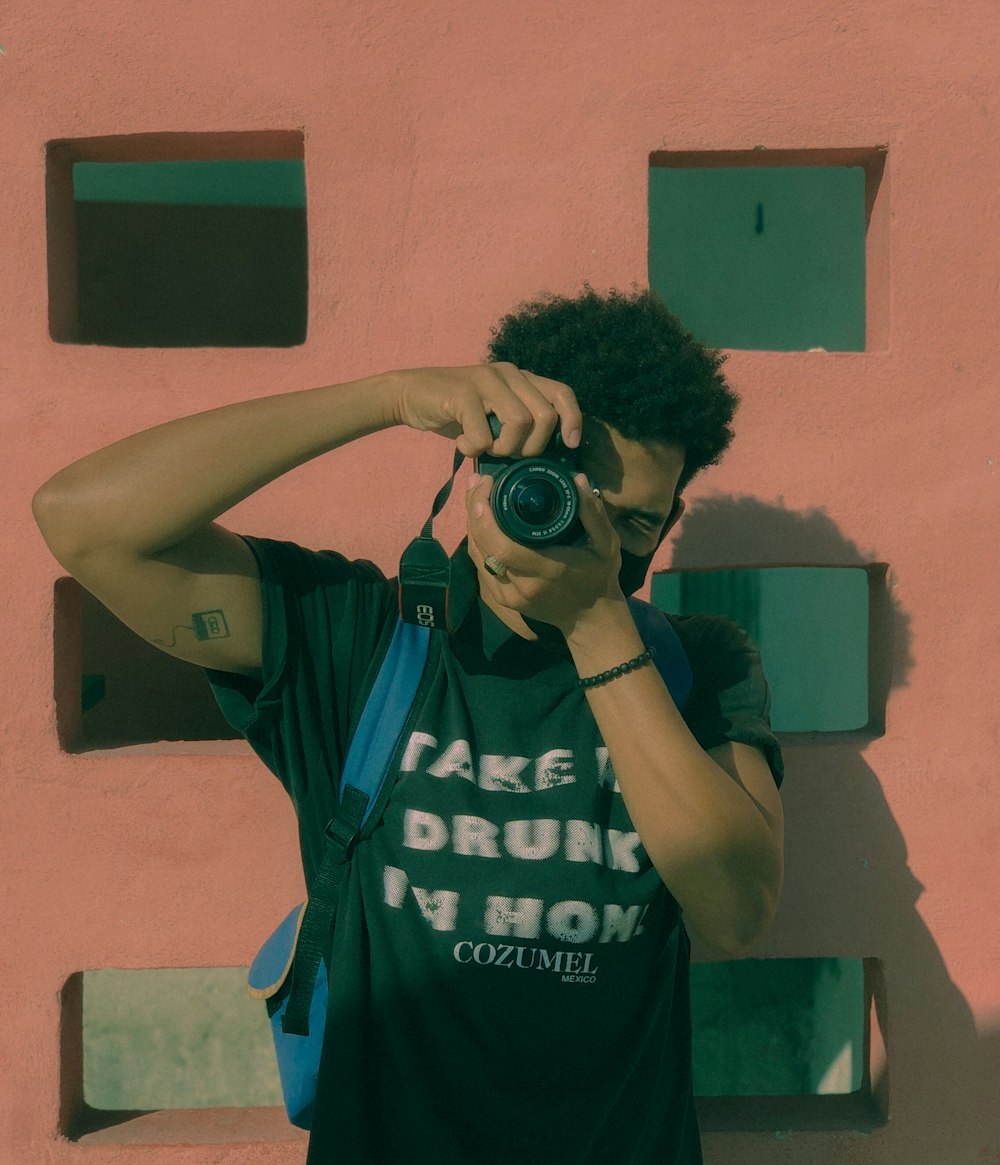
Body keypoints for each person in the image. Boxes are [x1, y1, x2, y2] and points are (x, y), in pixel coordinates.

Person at [33, 286, 784, 1164]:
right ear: (491, 470)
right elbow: (81, 522)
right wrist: (388, 397)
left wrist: (595, 622)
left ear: (668, 525)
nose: (595, 540)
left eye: (634, 524)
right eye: (571, 498)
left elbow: (736, 910)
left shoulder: (702, 663)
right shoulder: (359, 637)